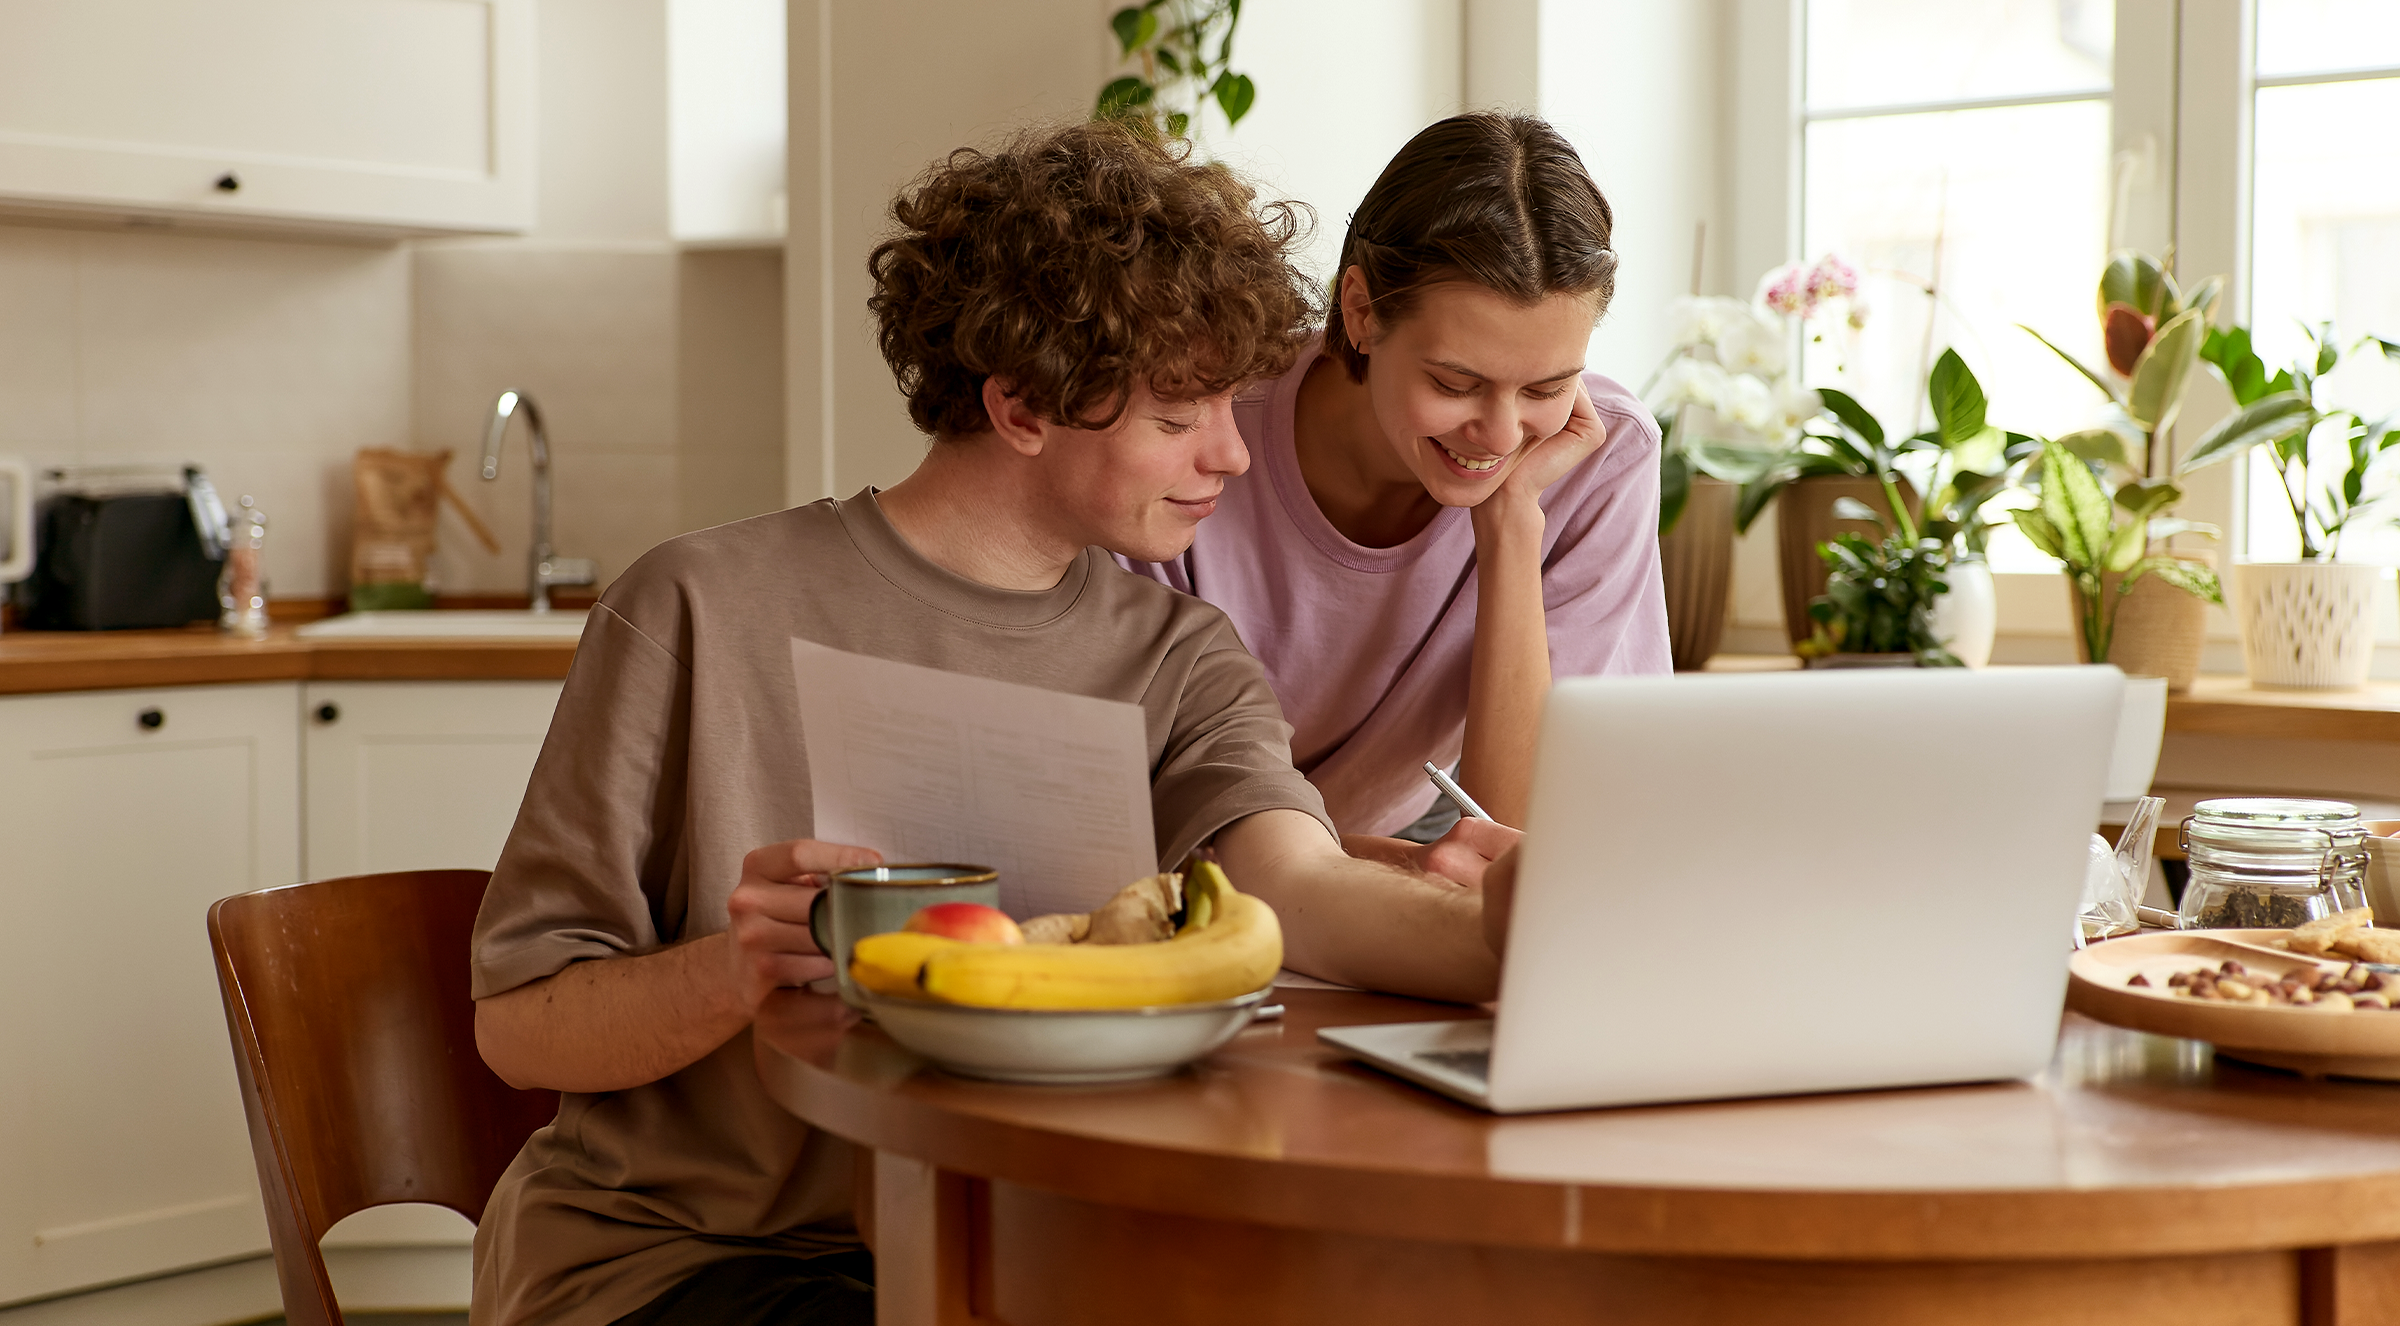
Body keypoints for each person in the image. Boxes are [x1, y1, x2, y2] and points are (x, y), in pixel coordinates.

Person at [465, 121, 1517, 1326]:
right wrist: (736, 969)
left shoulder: (1181, 657)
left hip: (1020, 1250)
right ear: (1018, 404)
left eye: (1231, 401)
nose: (1230, 452)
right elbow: (520, 1027)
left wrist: (1521, 925)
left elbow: (1299, 882)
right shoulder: (694, 608)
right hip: (686, 1262)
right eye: (1179, 416)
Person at [1121, 112, 1672, 839]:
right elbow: (1132, 795)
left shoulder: (1598, 455)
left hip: (1411, 838)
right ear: (1361, 311)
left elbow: (1529, 829)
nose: (1502, 434)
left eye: (1546, 388)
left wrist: (1511, 524)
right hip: (1191, 857)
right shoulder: (1201, 422)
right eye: (1454, 382)